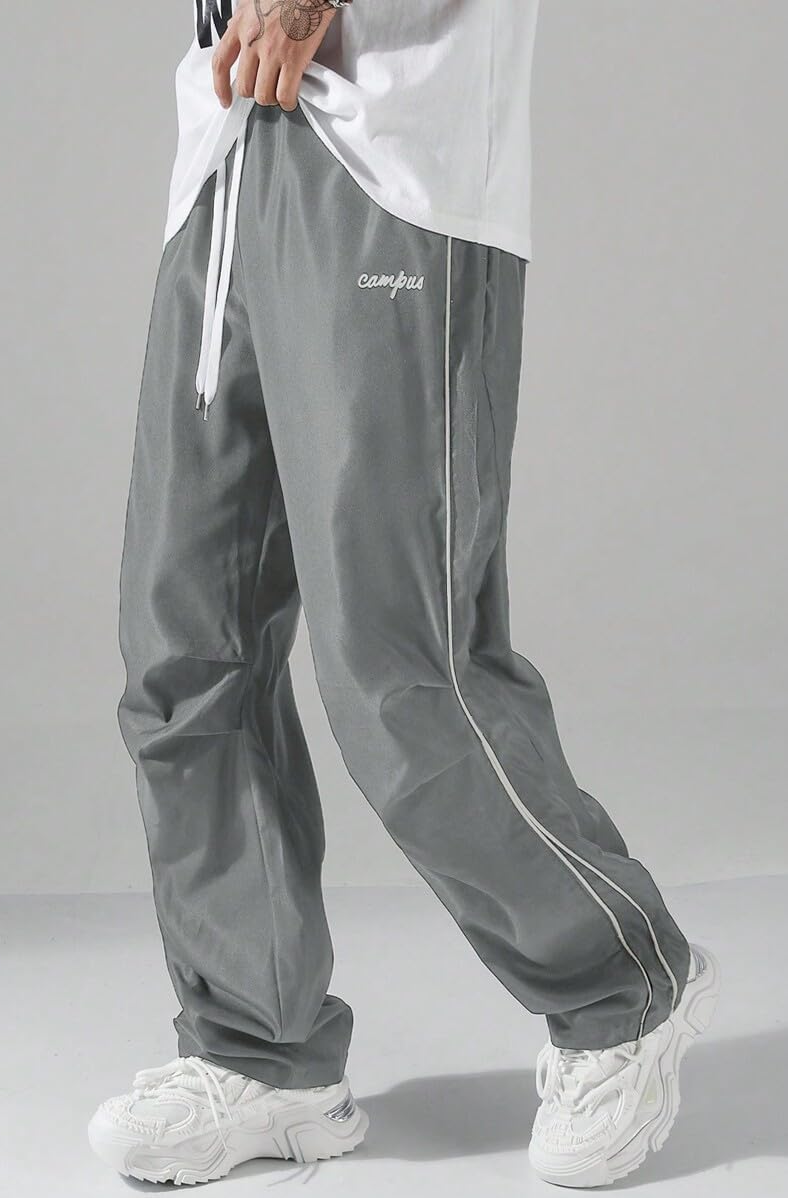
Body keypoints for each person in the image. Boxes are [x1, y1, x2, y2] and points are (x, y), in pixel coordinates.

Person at [88, 1, 720, 1187]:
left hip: (390, 162)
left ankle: (619, 985)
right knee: (185, 654)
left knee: (400, 659)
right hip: (225, 149)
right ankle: (260, 1049)